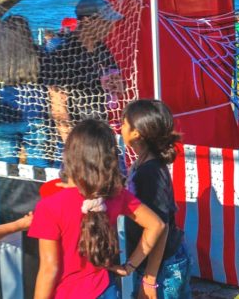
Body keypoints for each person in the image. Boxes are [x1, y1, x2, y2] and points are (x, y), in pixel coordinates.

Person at [28, 119, 166, 299]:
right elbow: (157, 225)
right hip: (105, 290)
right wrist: (129, 266)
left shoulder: (50, 205)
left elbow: (49, 269)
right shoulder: (117, 195)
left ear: (70, 155)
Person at [121, 100, 191, 298]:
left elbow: (161, 226)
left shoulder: (151, 172)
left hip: (163, 267)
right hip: (154, 262)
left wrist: (150, 278)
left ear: (137, 133)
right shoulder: (141, 162)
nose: (121, 127)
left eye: (125, 123)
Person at [43, 0, 125, 142]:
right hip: (75, 135)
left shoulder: (103, 50)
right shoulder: (63, 52)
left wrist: (116, 86)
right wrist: (70, 144)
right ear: (87, 21)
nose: (111, 26)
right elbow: (58, 105)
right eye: (106, 22)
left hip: (100, 129)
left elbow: (119, 88)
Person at [0, 16, 52, 167]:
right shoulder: (40, 54)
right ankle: (40, 190)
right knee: (39, 163)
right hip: (35, 114)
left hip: (5, 116)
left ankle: (6, 191)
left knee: (5, 167)